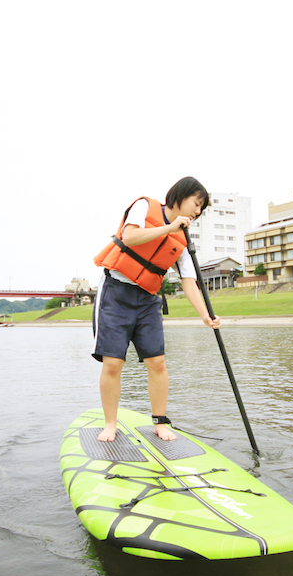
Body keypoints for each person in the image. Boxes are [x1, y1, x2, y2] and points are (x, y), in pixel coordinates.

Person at [92, 177, 222, 442]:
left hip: (148, 300)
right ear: (180, 195)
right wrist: (169, 227)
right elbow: (129, 237)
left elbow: (189, 282)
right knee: (113, 363)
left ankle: (160, 422)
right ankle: (110, 424)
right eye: (196, 204)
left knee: (158, 363)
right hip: (115, 293)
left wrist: (206, 316)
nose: (197, 212)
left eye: (201, 209)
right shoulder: (144, 206)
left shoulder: (182, 239)